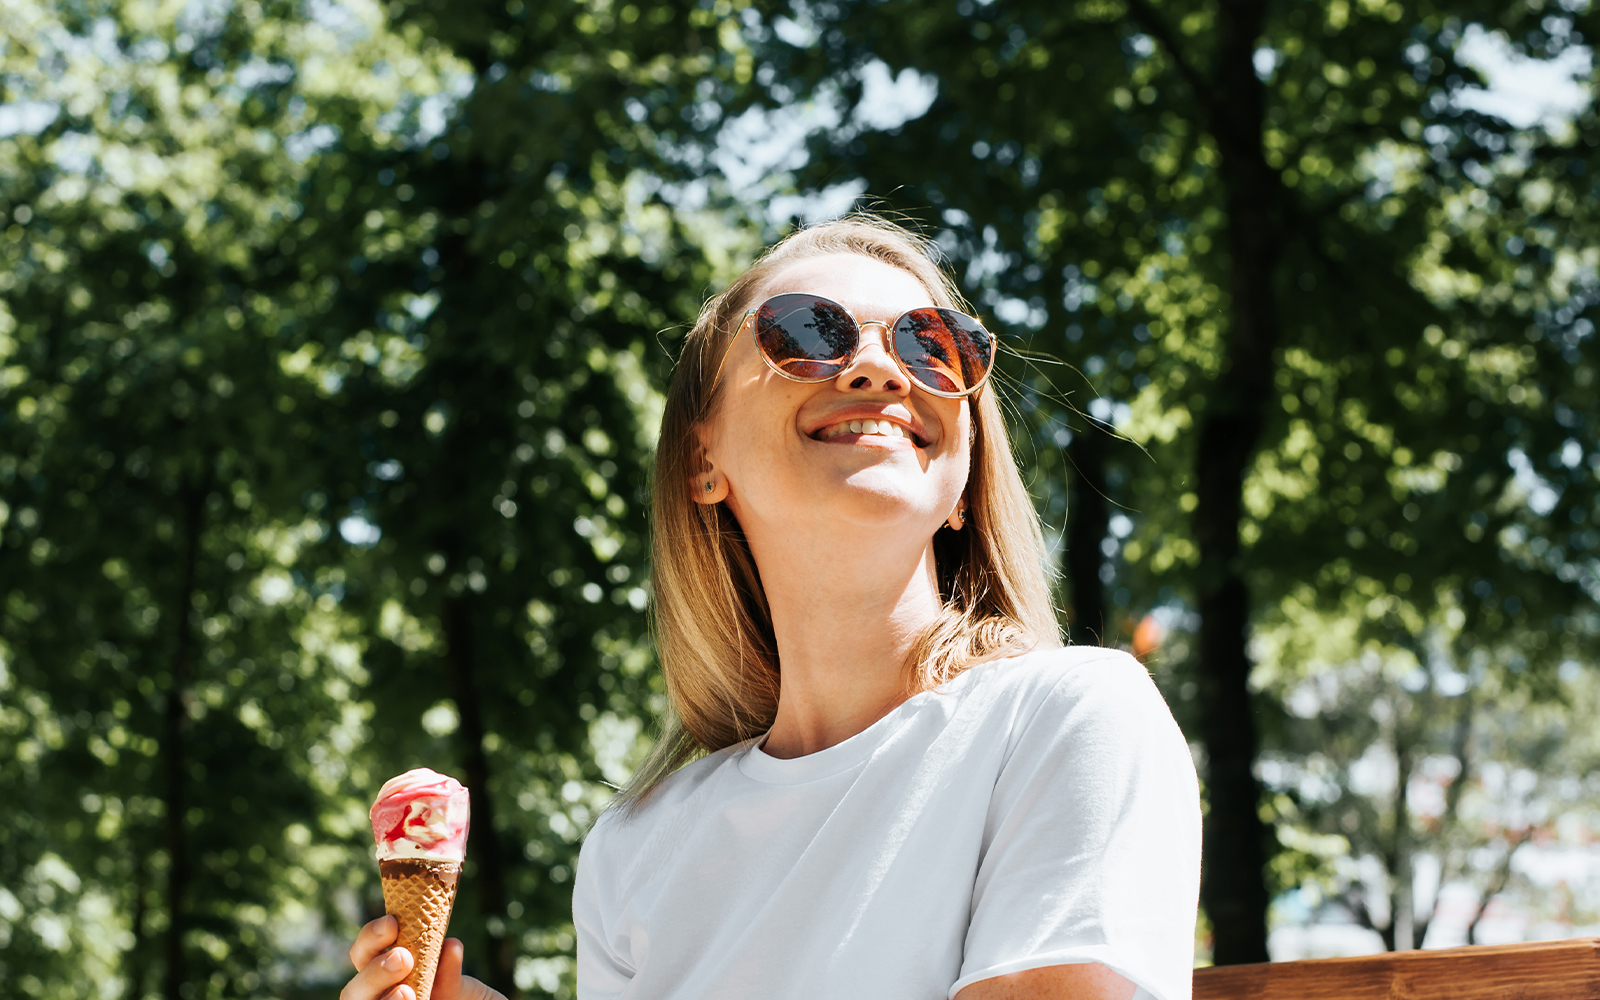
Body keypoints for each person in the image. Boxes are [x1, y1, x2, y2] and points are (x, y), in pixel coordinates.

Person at [342, 215, 1201, 1000]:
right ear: (700, 459)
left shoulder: (1071, 721)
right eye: (807, 332)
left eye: (934, 346)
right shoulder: (634, 849)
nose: (877, 367)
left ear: (965, 483)